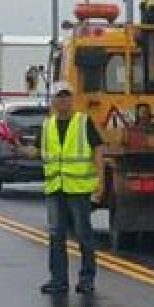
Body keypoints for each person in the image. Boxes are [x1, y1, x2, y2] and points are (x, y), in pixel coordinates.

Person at [24, 81, 105, 295]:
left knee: (83, 234)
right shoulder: (47, 125)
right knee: (56, 235)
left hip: (78, 187)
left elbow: (97, 150)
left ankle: (87, 279)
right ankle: (58, 280)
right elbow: (38, 151)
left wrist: (100, 181)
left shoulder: (83, 122)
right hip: (55, 188)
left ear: (72, 99)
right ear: (52, 101)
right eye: (59, 96)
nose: (63, 100)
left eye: (66, 96)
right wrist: (21, 149)